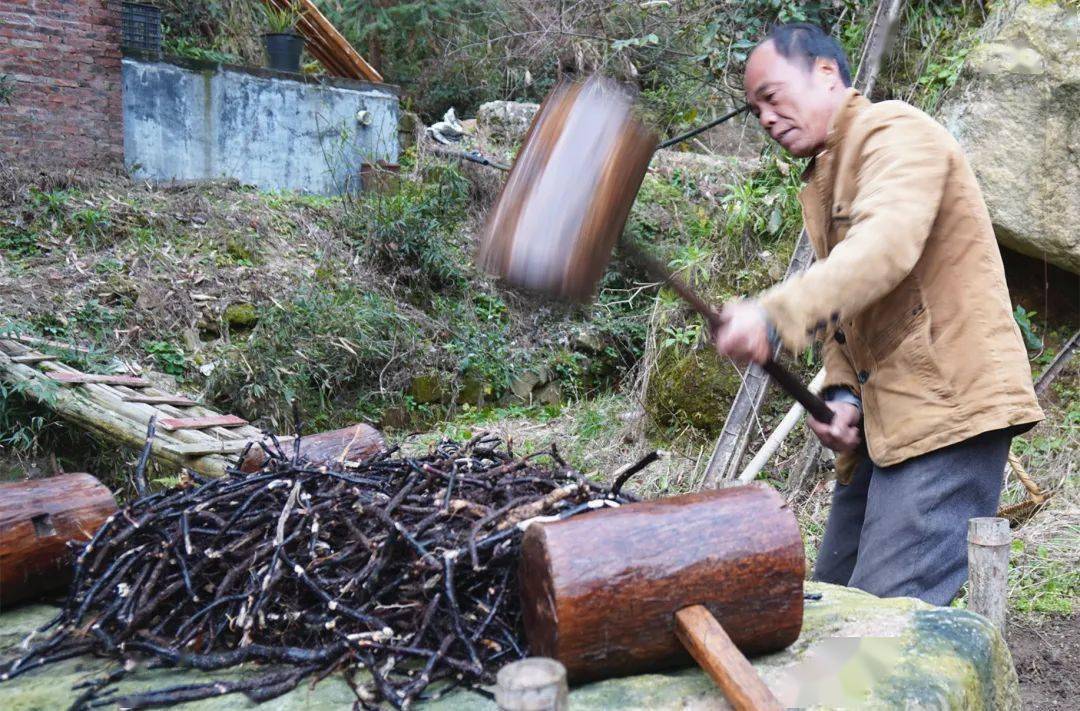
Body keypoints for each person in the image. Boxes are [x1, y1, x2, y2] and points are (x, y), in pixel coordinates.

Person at [713, 23, 1043, 605]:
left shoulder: (896, 132)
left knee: (880, 630)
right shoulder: (824, 176)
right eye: (754, 108)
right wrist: (841, 397)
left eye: (772, 95)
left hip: (949, 410)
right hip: (887, 423)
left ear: (824, 72)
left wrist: (773, 317)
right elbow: (850, 316)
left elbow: (884, 248)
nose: (764, 117)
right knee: (829, 604)